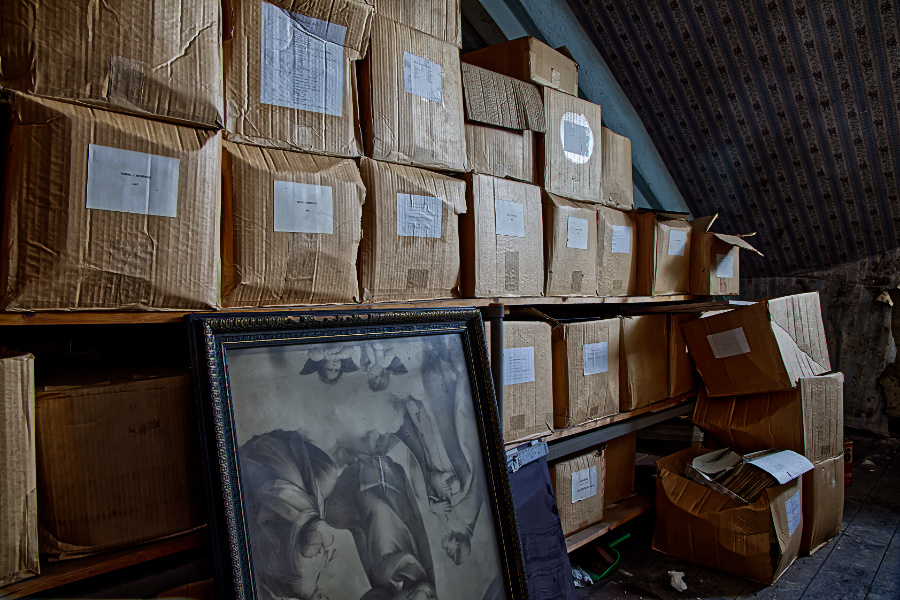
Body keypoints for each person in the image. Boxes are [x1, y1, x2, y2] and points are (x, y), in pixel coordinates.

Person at [325, 431, 437, 600]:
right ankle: (369, 458)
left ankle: (358, 462)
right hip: (409, 563)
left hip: (386, 570)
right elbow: (425, 590)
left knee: (377, 508)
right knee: (389, 505)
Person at [239, 429, 339, 600]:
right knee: (325, 475)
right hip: (285, 523)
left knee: (327, 472)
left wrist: (328, 545)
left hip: (288, 511)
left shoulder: (303, 581)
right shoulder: (294, 590)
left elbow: (315, 531)